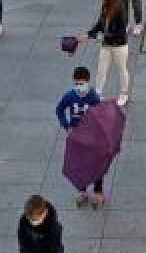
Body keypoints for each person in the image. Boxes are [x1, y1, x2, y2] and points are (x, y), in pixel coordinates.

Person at [56, 66, 106, 208]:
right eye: (76, 83)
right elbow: (59, 109)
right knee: (80, 164)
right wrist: (66, 125)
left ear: (88, 82)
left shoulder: (94, 98)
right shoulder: (69, 96)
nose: (79, 86)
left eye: (81, 83)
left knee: (97, 164)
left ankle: (98, 190)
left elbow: (101, 117)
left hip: (92, 137)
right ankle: (82, 190)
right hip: (77, 137)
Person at [77, 0, 131, 107]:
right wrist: (88, 34)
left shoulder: (120, 10)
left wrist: (103, 36)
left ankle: (124, 93)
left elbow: (121, 31)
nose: (102, 1)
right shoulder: (105, 6)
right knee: (101, 69)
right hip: (106, 44)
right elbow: (100, 24)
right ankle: (98, 93)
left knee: (122, 69)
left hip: (119, 45)